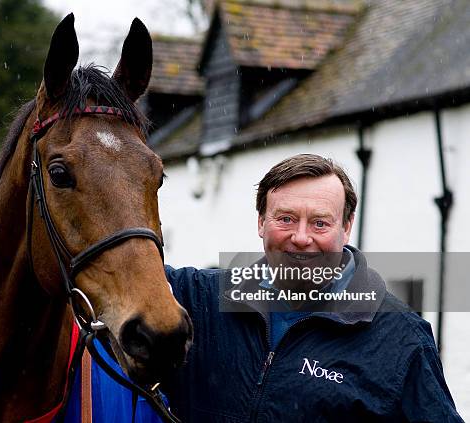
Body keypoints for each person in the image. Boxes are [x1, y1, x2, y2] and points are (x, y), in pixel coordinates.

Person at [162, 154, 463, 422]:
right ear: (260, 222)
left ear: (346, 227)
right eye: (286, 219)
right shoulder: (197, 299)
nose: (302, 237)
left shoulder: (401, 338)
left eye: (320, 223)